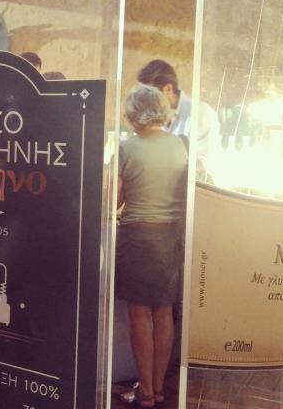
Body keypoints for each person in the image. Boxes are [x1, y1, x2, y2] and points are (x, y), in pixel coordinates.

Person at [116, 85, 187, 407]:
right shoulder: (181, 145)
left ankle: (144, 391)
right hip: (171, 238)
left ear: (134, 113)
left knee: (140, 314)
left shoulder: (127, 148)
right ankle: (158, 388)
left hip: (138, 236)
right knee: (164, 311)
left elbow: (113, 201)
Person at [137, 59, 217, 179]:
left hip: (195, 187)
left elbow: (202, 164)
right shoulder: (151, 114)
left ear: (168, 89)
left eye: (149, 94)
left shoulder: (200, 113)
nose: (144, 100)